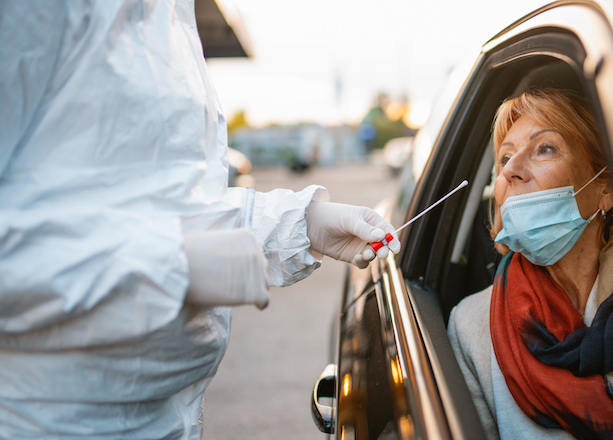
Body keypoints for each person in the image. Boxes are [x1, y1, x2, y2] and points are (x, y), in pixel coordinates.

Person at [0, 1, 399, 438]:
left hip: (163, 417)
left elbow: (167, 202)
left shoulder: (170, 15)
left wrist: (304, 224)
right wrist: (172, 268)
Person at [447, 89, 613, 440]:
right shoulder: (471, 326)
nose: (512, 171)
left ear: (606, 187)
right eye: (504, 158)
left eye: (544, 148)